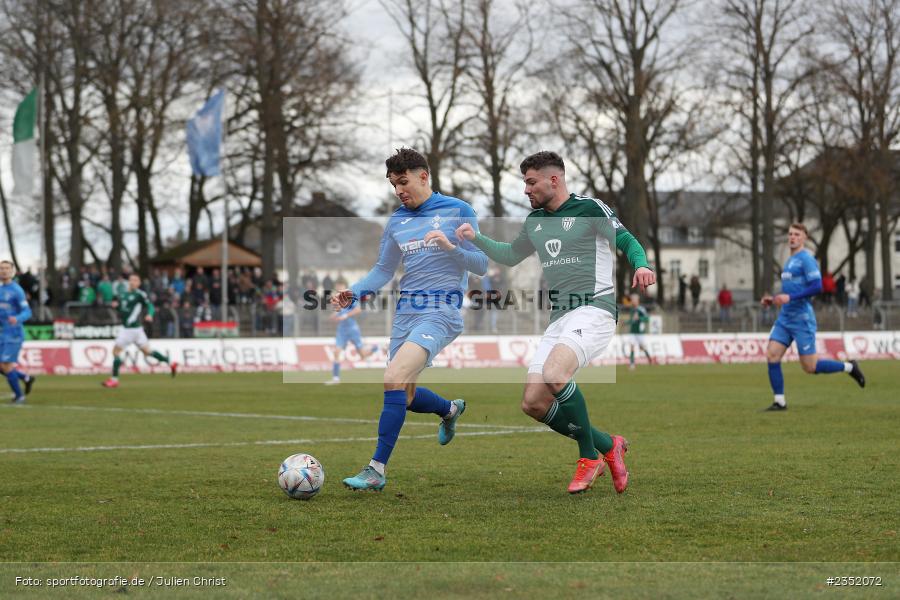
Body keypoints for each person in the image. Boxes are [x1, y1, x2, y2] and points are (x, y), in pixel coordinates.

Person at [457, 151, 655, 494]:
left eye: (531, 182)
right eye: (524, 183)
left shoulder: (590, 208)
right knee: (533, 402)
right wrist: (476, 238)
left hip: (595, 308)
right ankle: (609, 445)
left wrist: (640, 264)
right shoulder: (535, 221)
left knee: (554, 375)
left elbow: (626, 239)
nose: (525, 190)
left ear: (554, 180)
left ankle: (588, 457)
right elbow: (509, 255)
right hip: (560, 316)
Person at [333, 147, 488, 492]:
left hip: (441, 312)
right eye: (393, 185)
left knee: (393, 377)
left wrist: (451, 247)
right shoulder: (397, 221)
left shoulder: (458, 210)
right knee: (402, 394)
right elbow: (383, 270)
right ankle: (449, 410)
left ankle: (376, 470)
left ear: (423, 176)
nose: (399, 190)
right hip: (406, 314)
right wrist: (353, 292)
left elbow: (481, 265)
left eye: (403, 182)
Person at [761, 223, 865, 411]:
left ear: (804, 238)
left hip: (802, 319)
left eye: (796, 234)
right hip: (785, 318)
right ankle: (779, 401)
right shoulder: (789, 261)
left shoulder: (806, 260)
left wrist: (790, 297)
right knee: (771, 354)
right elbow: (790, 289)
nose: (792, 237)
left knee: (810, 367)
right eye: (790, 234)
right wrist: (774, 299)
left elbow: (817, 286)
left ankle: (850, 367)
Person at [102, 273, 178, 388]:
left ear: (139, 283)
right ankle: (170, 363)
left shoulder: (140, 294)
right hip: (137, 330)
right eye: (131, 280)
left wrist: (150, 315)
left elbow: (150, 306)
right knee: (148, 352)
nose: (132, 282)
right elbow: (123, 310)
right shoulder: (123, 295)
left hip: (129, 330)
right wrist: (116, 306)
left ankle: (114, 380)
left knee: (116, 352)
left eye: (135, 280)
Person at [325, 281, 381, 385]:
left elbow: (358, 310)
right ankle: (336, 379)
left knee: (363, 356)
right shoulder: (338, 301)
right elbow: (339, 312)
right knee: (337, 352)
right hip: (342, 330)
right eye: (338, 289)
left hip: (352, 329)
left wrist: (345, 316)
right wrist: (333, 316)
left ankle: (375, 347)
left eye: (341, 289)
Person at [0, 260, 35, 404]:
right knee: (2, 366)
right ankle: (25, 378)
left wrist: (17, 318)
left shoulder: (17, 290)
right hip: (2, 333)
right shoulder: (1, 289)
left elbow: (27, 311)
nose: (4, 271)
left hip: (14, 334)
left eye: (7, 268)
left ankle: (19, 396)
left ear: (12, 271)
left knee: (6, 365)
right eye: (1, 268)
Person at [625, 292, 655, 370]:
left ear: (637, 300)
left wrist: (640, 318)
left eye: (633, 300)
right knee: (631, 347)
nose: (632, 301)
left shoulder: (641, 309)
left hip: (640, 333)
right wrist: (626, 323)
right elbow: (632, 321)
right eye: (632, 300)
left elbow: (647, 319)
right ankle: (632, 364)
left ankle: (650, 360)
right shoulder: (632, 309)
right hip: (632, 332)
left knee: (643, 347)